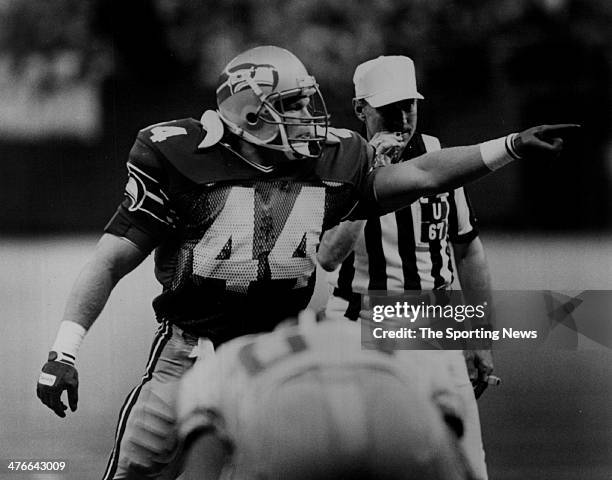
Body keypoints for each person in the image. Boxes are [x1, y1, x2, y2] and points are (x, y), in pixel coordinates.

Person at [35, 44, 574, 479]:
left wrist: (510, 145)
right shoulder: (181, 155)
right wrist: (64, 351)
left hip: (282, 355)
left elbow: (441, 197)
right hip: (208, 347)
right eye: (291, 105)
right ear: (249, 111)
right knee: (136, 469)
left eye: (307, 101)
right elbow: (109, 263)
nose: (309, 117)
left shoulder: (341, 158)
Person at [316, 55, 492, 479]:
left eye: (408, 106)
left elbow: (467, 250)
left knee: (466, 464)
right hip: (361, 323)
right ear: (361, 110)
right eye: (388, 109)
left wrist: (480, 338)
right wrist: (370, 178)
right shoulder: (335, 162)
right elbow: (327, 256)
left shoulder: (439, 156)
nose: (402, 118)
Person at [174, 310, 476, 480]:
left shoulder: (235, 353)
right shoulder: (395, 346)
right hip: (393, 406)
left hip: (287, 415)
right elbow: (451, 444)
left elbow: (203, 461)